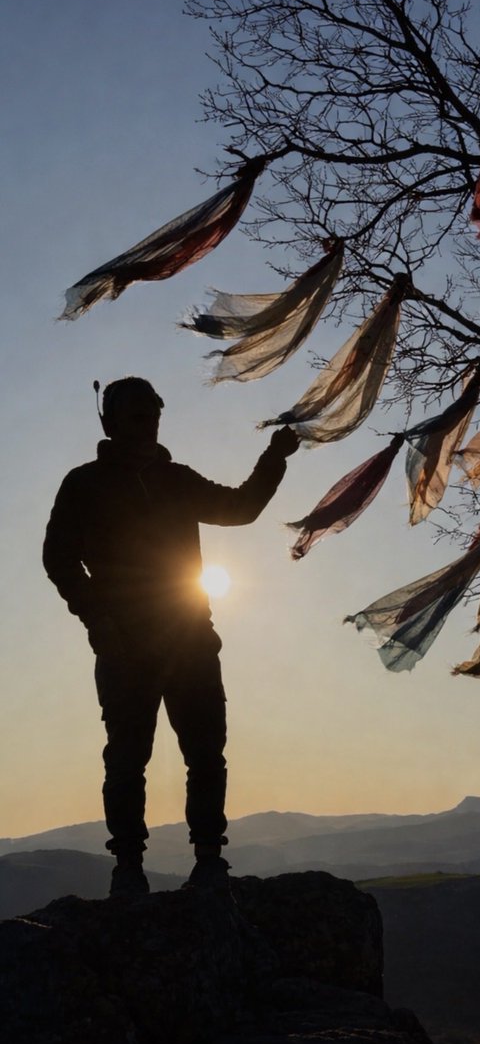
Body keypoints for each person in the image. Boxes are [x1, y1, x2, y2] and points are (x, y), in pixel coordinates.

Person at [43, 377, 300, 896]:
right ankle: (129, 868)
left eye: (155, 414)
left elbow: (241, 508)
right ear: (111, 422)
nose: (150, 423)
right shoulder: (84, 484)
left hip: (189, 638)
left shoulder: (176, 480)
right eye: (139, 415)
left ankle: (208, 860)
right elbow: (58, 559)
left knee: (205, 751)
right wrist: (98, 621)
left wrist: (275, 457)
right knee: (127, 755)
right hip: (124, 644)